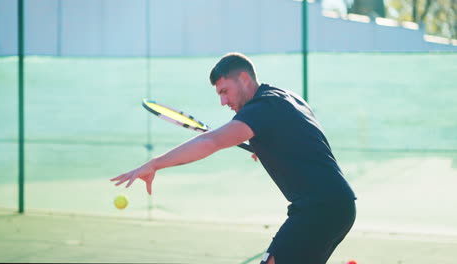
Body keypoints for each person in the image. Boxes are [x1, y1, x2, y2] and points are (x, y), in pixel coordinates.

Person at [110, 52, 357, 264]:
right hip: (337, 205)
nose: (223, 101)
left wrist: (155, 164)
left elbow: (211, 141)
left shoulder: (262, 108)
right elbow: (303, 139)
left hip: (319, 208)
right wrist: (266, 148)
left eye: (225, 91)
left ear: (245, 78)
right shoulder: (285, 98)